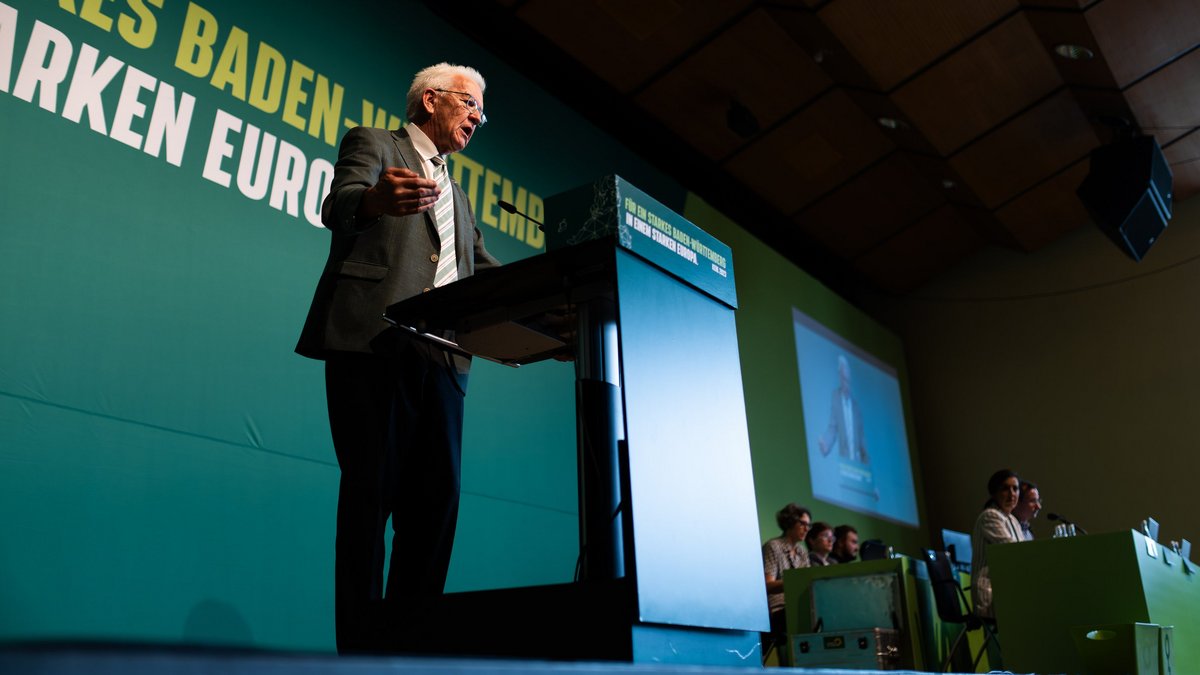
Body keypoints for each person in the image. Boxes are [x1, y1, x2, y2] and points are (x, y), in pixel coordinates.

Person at [295, 62, 501, 654]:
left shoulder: (457, 194)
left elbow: (479, 270)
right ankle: (358, 651)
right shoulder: (375, 143)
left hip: (444, 363)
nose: (477, 118)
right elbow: (341, 206)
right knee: (369, 501)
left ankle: (410, 653)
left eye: (481, 111)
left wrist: (557, 303)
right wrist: (375, 202)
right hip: (376, 346)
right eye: (469, 104)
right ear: (430, 100)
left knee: (435, 512)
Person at [970, 469, 1023, 619]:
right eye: (1005, 488)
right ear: (994, 493)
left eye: (1015, 488)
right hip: (990, 593)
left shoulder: (1012, 519)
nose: (1012, 494)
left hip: (1006, 591)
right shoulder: (990, 516)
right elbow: (1014, 551)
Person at [762, 503, 811, 656]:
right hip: (778, 610)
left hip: (797, 606)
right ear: (789, 523)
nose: (806, 529)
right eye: (802, 524)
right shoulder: (773, 546)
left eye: (808, 525)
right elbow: (767, 585)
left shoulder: (802, 552)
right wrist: (793, 583)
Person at [817, 355, 868, 463]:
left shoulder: (856, 407)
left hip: (859, 465)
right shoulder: (836, 398)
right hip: (846, 464)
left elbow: (862, 439)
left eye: (848, 381)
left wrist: (866, 462)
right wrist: (826, 445)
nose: (847, 385)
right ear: (840, 377)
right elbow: (833, 428)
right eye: (844, 380)